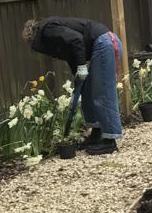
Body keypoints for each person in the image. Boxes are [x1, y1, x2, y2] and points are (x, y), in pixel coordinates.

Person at [22, 17, 123, 155]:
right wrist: (78, 82)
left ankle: (109, 141)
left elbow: (76, 40)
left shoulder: (48, 31)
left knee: (102, 92)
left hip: (104, 43)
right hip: (96, 47)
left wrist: (82, 66)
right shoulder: (51, 35)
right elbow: (72, 55)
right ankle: (96, 133)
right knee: (86, 91)